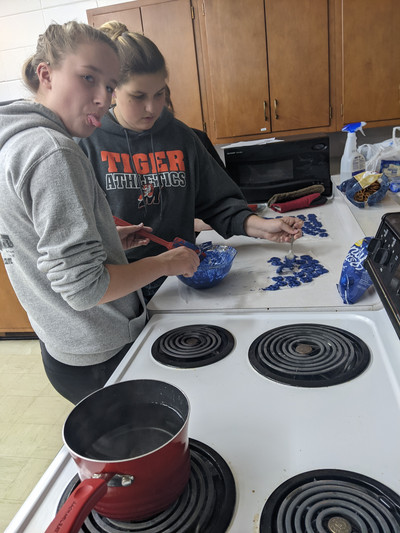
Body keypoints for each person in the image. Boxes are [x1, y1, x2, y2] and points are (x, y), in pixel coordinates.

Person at [0, 21, 200, 404]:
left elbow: (39, 245)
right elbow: (86, 288)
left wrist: (106, 237)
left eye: (108, 86)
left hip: (63, 346)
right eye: (87, 78)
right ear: (46, 74)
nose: (102, 99)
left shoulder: (14, 141)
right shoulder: (53, 153)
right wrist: (166, 263)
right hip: (99, 351)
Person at [78, 21, 303, 303]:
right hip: (118, 291)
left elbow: (218, 204)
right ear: (112, 90)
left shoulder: (181, 137)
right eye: (138, 97)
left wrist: (262, 227)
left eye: (159, 94)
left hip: (183, 280)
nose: (152, 108)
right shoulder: (87, 143)